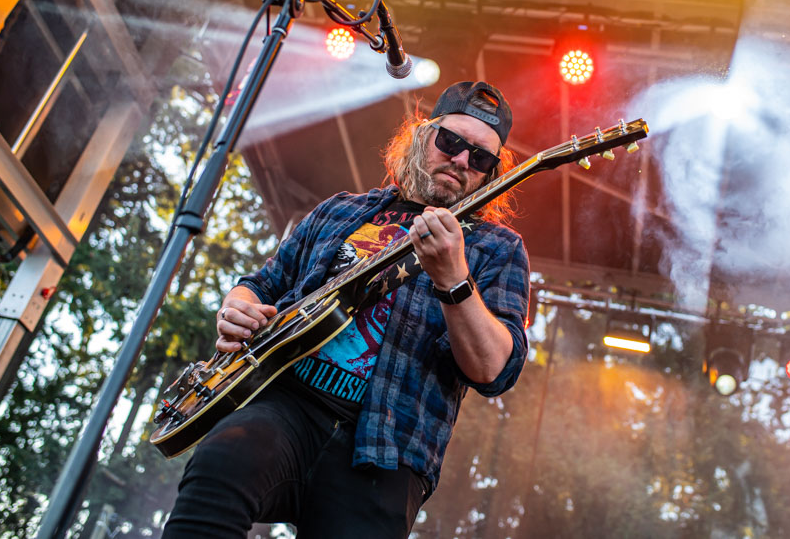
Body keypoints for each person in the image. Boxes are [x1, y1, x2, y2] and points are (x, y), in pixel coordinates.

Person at [162, 81, 530, 538]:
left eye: (479, 158)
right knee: (221, 460)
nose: (460, 160)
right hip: (287, 404)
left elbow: (495, 370)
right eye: (451, 142)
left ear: (491, 173)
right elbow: (261, 284)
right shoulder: (342, 210)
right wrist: (238, 307)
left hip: (390, 446)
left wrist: (455, 281)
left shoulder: (498, 248)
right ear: (422, 136)